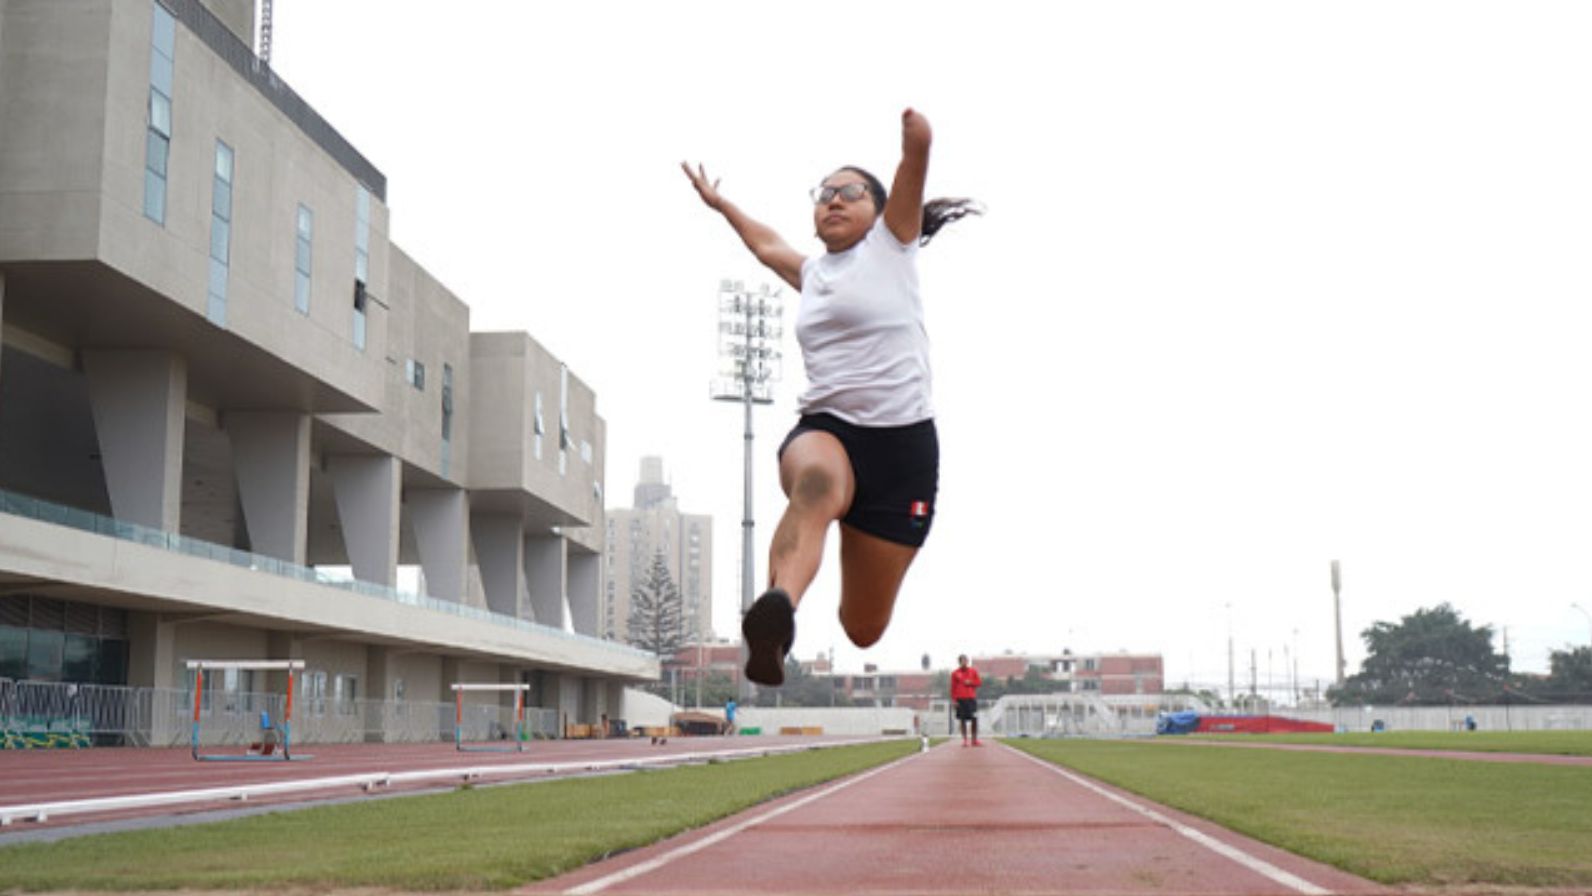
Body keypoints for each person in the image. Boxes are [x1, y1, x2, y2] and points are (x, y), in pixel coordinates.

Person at [682, 108, 979, 686]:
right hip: (828, 430)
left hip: (901, 453)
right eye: (824, 194)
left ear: (881, 211)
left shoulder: (892, 248)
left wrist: (917, 139)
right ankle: (777, 614)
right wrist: (721, 206)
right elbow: (766, 244)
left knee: (862, 627)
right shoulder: (814, 274)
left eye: (850, 193)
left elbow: (913, 164)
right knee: (815, 482)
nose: (834, 200)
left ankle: (801, 600)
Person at [951, 654, 982, 746]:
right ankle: (965, 740)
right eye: (962, 661)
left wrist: (971, 682)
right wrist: (954, 700)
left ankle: (974, 740)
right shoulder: (955, 673)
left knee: (974, 719)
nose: (964, 662)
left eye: (966, 661)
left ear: (968, 662)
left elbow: (979, 683)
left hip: (971, 699)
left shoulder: (973, 671)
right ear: (959, 662)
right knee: (962, 720)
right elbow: (953, 688)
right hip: (960, 700)